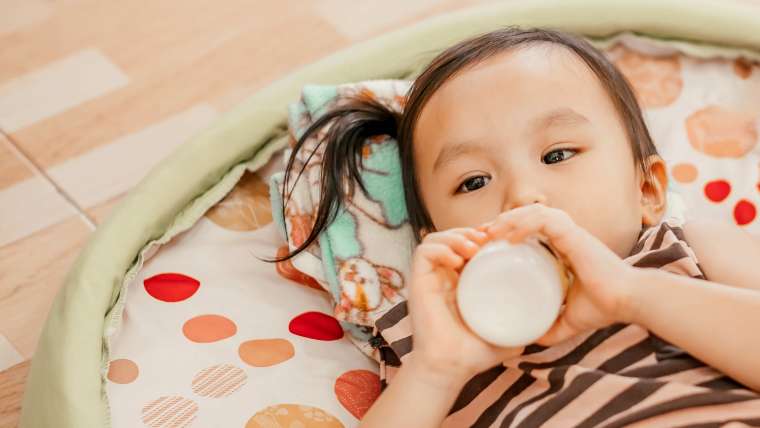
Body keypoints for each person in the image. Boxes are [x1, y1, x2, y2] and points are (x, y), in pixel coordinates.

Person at [274, 27, 760, 426]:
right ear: (435, 241)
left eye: (557, 154)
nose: (522, 195)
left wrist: (633, 293)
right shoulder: (435, 339)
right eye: (473, 181)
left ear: (647, 191)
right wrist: (436, 371)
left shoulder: (681, 251)